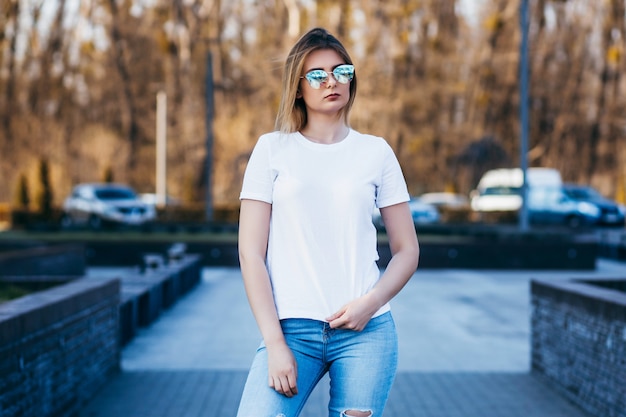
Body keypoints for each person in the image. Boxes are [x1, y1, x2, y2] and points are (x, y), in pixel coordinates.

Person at [236, 27, 419, 417]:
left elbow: (407, 251)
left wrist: (370, 304)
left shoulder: (376, 152)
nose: (331, 81)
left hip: (365, 334)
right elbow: (251, 254)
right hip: (291, 333)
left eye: (342, 71)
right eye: (317, 74)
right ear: (298, 87)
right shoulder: (272, 149)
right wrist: (274, 343)